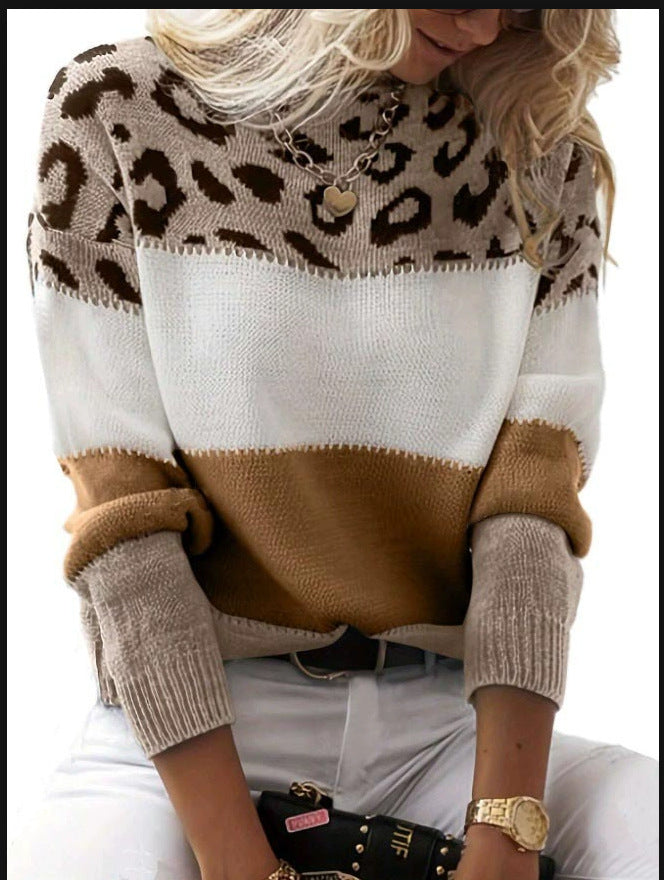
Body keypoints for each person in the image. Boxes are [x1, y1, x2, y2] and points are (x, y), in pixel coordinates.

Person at [9, 9, 658, 880]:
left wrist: (504, 840)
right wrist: (243, 865)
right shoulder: (116, 110)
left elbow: (530, 517)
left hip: (447, 733)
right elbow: (125, 526)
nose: (484, 29)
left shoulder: (534, 147)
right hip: (185, 741)